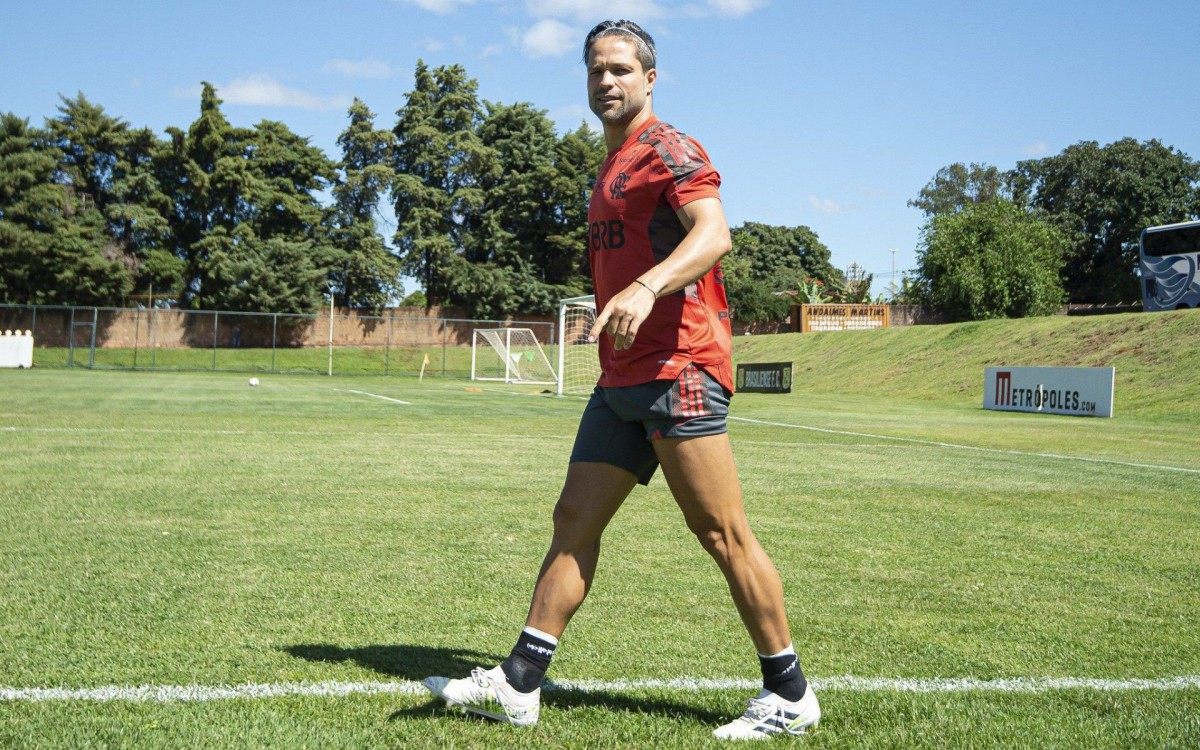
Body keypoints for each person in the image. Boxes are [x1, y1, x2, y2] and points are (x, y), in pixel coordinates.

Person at [425, 19, 820, 740]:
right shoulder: (608, 166)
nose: (606, 81)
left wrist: (646, 288)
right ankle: (519, 683)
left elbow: (714, 232)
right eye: (595, 71)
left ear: (649, 78)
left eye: (620, 70)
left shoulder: (668, 148)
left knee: (721, 533)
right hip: (622, 379)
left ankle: (789, 692)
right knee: (573, 521)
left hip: (682, 368)